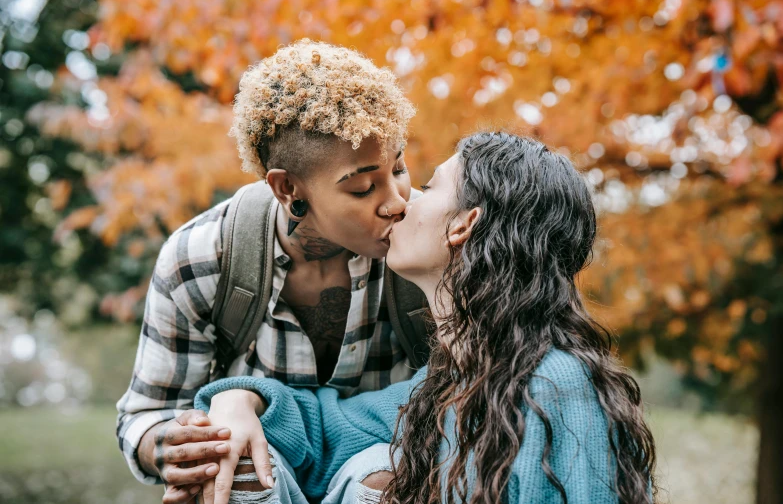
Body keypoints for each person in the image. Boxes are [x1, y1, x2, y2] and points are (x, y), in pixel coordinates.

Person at [195, 132, 658, 504]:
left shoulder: (558, 386)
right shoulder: (446, 386)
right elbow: (322, 428)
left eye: (429, 188)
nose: (401, 203)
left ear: (463, 225)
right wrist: (238, 399)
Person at [115, 39, 426, 504]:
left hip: (388, 458)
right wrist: (187, 448)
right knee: (231, 467)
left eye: (398, 168)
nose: (397, 202)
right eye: (363, 188)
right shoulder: (198, 257)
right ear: (288, 189)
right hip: (262, 468)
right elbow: (146, 414)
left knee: (387, 477)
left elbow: (480, 389)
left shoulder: (431, 239)